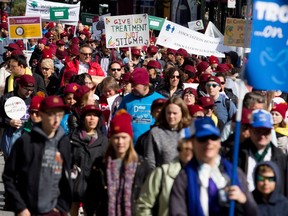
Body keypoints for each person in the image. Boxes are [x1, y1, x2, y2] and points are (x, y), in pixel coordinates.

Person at [169, 117, 259, 216]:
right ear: (193, 143)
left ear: (219, 142)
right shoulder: (184, 178)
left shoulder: (235, 173)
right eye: (202, 138)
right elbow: (177, 212)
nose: (209, 142)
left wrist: (243, 200)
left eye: (213, 137)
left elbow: (254, 212)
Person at [2, 95, 72, 215]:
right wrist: (20, 207)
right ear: (42, 114)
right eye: (51, 114)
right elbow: (9, 176)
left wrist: (62, 207)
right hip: (28, 210)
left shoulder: (64, 141)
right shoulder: (25, 141)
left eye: (60, 115)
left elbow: (67, 175)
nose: (56, 120)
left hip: (55, 210)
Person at [84, 110, 151, 215]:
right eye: (116, 138)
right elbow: (91, 198)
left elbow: (148, 198)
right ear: (111, 140)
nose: (120, 142)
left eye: (124, 137)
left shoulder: (142, 165)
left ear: (130, 139)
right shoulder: (100, 165)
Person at [233, 109, 288, 195]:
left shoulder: (281, 157)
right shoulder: (237, 154)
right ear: (250, 130)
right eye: (258, 131)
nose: (262, 136)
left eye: (266, 132)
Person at [137, 137, 193, 216]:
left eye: (193, 149)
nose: (190, 153)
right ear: (179, 150)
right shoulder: (162, 173)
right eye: (186, 149)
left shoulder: (205, 175)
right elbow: (144, 205)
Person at [70, 104, 108, 216]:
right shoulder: (72, 138)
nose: (92, 118)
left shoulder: (103, 141)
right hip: (75, 183)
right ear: (82, 118)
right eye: (89, 115)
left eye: (95, 116)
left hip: (94, 186)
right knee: (73, 208)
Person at [118, 68, 165, 144]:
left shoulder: (159, 100)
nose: (132, 87)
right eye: (131, 84)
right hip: (131, 148)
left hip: (152, 147)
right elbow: (118, 120)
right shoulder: (126, 99)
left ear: (145, 85)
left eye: (135, 84)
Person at [145, 97, 192, 169]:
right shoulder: (156, 133)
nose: (171, 116)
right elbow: (150, 161)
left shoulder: (190, 131)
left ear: (182, 113)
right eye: (169, 113)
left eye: (175, 113)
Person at [0, 75, 35, 158]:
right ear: (20, 85)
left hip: (28, 133)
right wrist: (9, 122)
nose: (29, 92)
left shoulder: (33, 98)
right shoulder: (7, 98)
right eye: (26, 89)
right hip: (10, 134)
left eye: (31, 90)